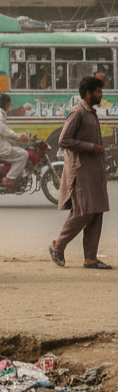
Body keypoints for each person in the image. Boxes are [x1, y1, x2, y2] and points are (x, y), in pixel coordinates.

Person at [50, 76, 111, 269]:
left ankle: (90, 258)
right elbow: (64, 140)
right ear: (88, 93)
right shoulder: (77, 113)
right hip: (81, 172)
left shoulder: (91, 113)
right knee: (83, 212)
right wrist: (91, 147)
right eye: (98, 92)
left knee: (97, 211)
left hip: (94, 172)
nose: (101, 95)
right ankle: (58, 246)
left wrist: (99, 149)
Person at [0, 93, 29, 186]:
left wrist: (16, 140)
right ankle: (9, 178)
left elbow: (3, 132)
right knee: (24, 154)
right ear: (5, 104)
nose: (11, 106)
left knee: (18, 150)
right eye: (9, 104)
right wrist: (18, 137)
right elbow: (3, 130)